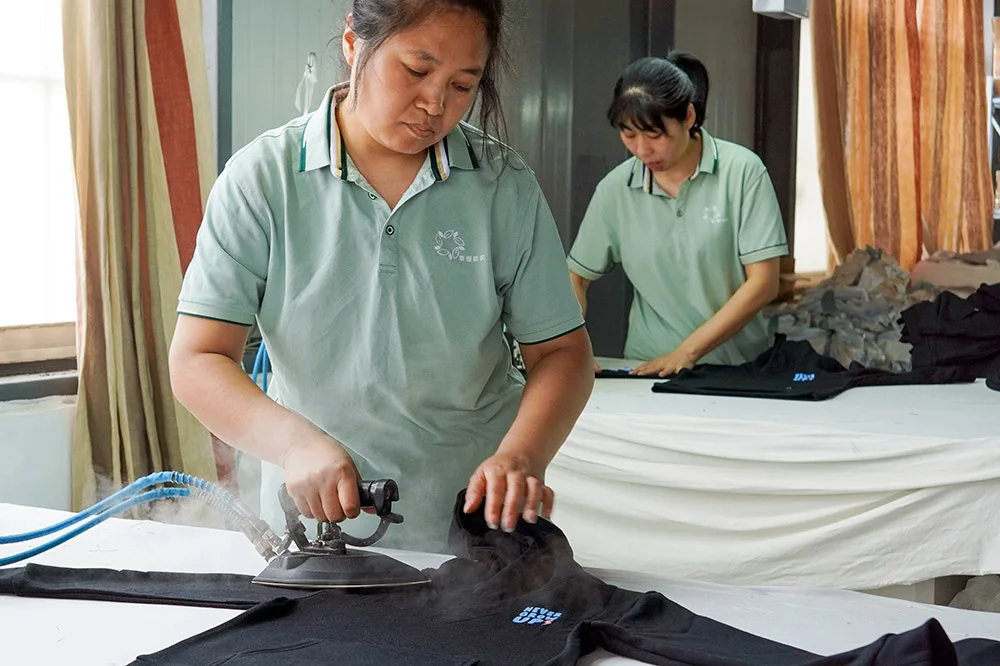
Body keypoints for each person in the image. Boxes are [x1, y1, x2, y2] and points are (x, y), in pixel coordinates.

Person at [168, 0, 594, 553]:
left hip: (473, 528)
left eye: (463, 85)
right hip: (318, 533)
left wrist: (522, 455)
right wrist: (294, 445)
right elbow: (198, 359)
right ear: (354, 44)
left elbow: (562, 352)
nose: (435, 104)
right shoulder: (263, 180)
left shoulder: (502, 185)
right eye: (416, 70)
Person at [568, 53, 788, 378]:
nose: (641, 150)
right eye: (629, 134)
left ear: (688, 117)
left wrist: (687, 352)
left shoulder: (743, 172)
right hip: (648, 370)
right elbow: (576, 277)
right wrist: (570, 348)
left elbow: (764, 283)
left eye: (654, 135)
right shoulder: (615, 189)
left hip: (739, 370)